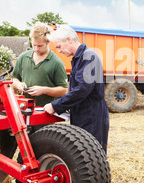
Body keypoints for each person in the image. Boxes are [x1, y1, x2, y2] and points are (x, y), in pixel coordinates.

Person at [43, 25, 109, 153]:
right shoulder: (79, 58)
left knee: (92, 154)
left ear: (69, 40)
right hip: (83, 113)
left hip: (92, 116)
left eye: (59, 47)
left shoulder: (88, 57)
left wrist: (55, 105)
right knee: (82, 154)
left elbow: (81, 90)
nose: (59, 51)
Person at [12, 22, 68, 107]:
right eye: (34, 45)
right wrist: (19, 85)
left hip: (45, 113)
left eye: (40, 46)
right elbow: (14, 79)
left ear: (48, 43)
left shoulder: (57, 63)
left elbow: (64, 90)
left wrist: (44, 90)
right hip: (23, 109)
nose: (36, 49)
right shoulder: (23, 57)